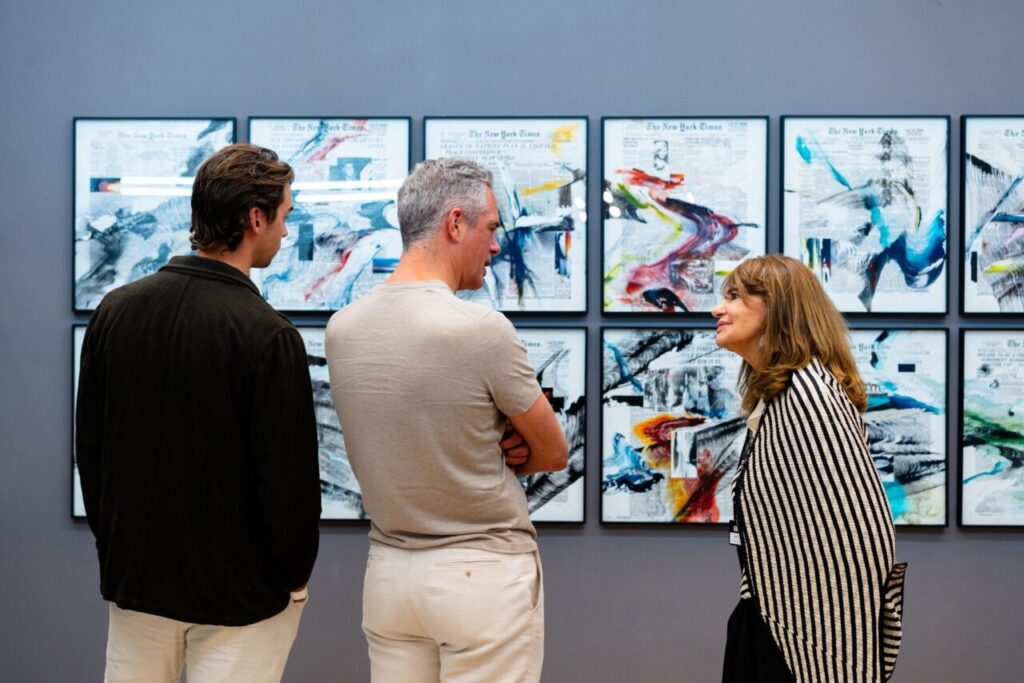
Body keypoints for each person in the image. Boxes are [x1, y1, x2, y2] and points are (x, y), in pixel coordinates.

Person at [76, 143, 322, 683]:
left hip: (136, 586)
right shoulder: (267, 335)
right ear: (254, 218)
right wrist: (294, 578)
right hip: (243, 601)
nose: (285, 230)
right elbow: (289, 484)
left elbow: (91, 455)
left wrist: (119, 551)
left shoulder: (114, 312)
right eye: (284, 214)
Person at [325, 157, 569, 683]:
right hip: (481, 574)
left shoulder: (342, 330)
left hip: (390, 576)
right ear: (454, 223)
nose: (497, 245)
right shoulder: (480, 328)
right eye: (490, 228)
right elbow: (552, 452)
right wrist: (501, 443)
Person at [712, 255, 906, 683]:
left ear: (777, 307)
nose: (717, 310)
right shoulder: (786, 393)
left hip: (803, 645)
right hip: (780, 621)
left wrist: (836, 655)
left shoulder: (806, 394)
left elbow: (865, 538)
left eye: (734, 297)